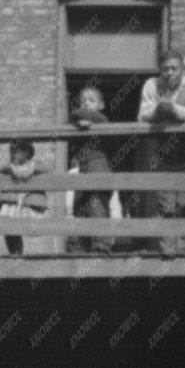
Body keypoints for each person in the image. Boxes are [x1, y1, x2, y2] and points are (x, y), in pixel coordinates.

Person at [129, 49, 185, 242]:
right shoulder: (151, 85)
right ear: (159, 70)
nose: (169, 72)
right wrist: (158, 109)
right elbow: (142, 115)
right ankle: (168, 251)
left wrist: (173, 109)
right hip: (162, 152)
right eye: (165, 69)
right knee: (166, 203)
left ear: (183, 69)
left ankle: (184, 248)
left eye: (174, 68)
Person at [67, 82, 115, 250]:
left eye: (91, 100)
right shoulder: (84, 124)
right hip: (83, 168)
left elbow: (76, 113)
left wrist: (78, 119)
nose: (86, 103)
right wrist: (78, 124)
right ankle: (80, 248)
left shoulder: (102, 120)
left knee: (97, 206)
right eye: (82, 100)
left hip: (98, 166)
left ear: (101, 105)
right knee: (80, 205)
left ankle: (101, 247)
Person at [0, 138, 48, 255]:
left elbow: (50, 172)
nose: (12, 155)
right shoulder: (10, 168)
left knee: (28, 227)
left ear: (27, 153)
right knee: (8, 226)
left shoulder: (35, 167)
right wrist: (8, 169)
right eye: (11, 152)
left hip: (28, 201)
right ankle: (16, 253)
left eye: (16, 152)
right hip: (13, 202)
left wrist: (36, 167)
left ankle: (19, 254)